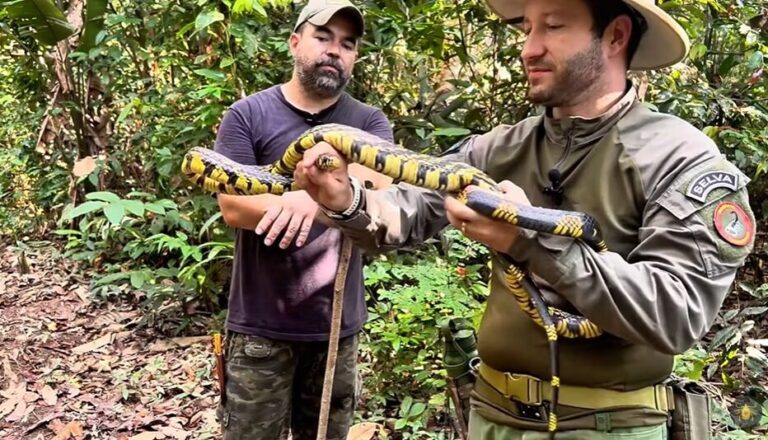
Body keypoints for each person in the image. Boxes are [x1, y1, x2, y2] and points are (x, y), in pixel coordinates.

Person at [294, 0, 756, 438]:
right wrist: (347, 200)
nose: (529, 47)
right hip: (493, 414)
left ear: (615, 36)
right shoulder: (496, 148)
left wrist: (530, 240)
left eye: (553, 26)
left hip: (611, 425)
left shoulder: (681, 158)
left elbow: (675, 313)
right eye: (526, 27)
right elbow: (404, 213)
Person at [213, 0, 393, 438]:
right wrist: (326, 198)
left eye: (347, 44)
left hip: (336, 330)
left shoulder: (367, 121)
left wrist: (310, 204)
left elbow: (384, 190)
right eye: (323, 37)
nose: (335, 50)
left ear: (354, 58)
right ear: (295, 42)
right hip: (260, 329)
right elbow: (234, 206)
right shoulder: (248, 115)